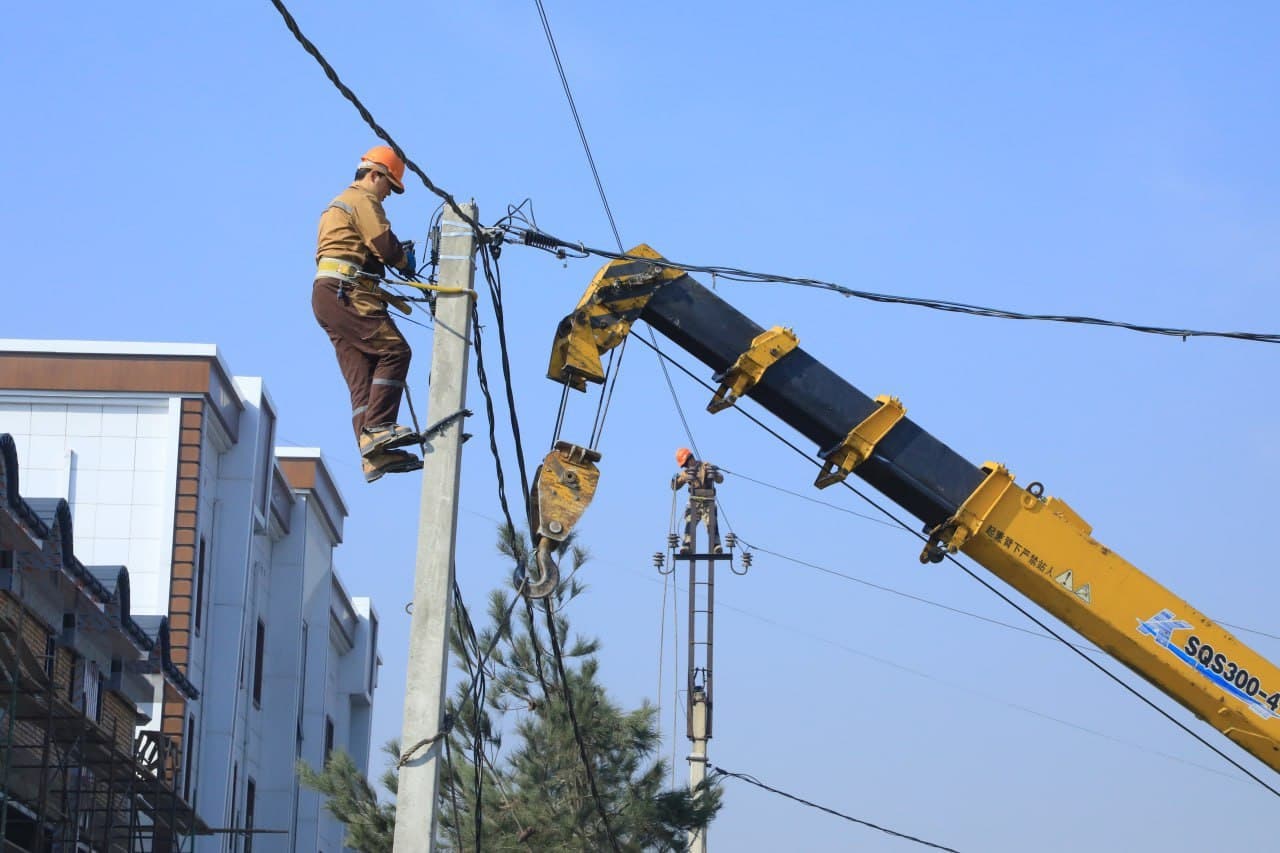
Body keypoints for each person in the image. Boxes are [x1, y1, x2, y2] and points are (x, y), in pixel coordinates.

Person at [313, 146, 422, 483]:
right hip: (347, 292)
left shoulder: (337, 205)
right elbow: (383, 245)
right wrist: (403, 260)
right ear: (375, 175)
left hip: (327, 295)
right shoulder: (362, 199)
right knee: (395, 351)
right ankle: (378, 430)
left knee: (363, 376)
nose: (388, 194)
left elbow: (363, 254)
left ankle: (371, 453)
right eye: (389, 185)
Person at [671, 447, 724, 554]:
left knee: (711, 521)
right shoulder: (686, 473)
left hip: (708, 500)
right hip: (694, 501)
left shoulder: (705, 466)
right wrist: (678, 479)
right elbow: (675, 486)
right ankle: (687, 545)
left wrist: (714, 474)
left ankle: (715, 545)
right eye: (685, 465)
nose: (687, 466)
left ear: (690, 458)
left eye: (687, 463)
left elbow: (720, 479)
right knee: (690, 521)